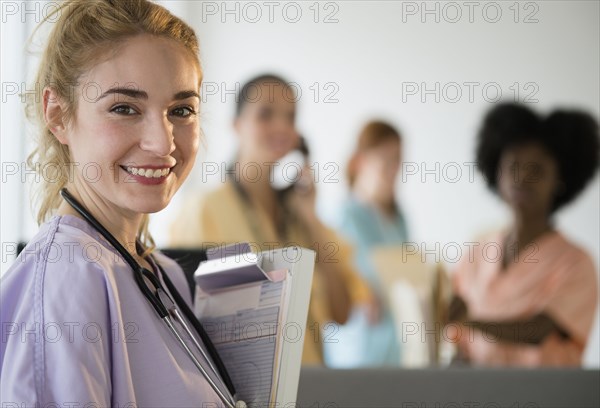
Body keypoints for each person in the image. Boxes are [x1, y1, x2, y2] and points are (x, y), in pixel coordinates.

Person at [0, 1, 240, 406]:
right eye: (125, 108)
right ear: (57, 115)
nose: (163, 143)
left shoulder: (162, 274)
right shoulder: (68, 277)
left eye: (181, 110)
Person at [170, 74, 373, 365]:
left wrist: (311, 218)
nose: (281, 127)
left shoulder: (302, 218)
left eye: (290, 117)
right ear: (237, 125)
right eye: (266, 114)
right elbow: (190, 321)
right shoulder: (206, 209)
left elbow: (342, 313)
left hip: (311, 386)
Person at [447, 103, 599, 366]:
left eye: (537, 170)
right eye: (514, 165)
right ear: (497, 171)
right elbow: (459, 339)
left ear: (560, 180)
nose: (522, 178)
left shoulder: (576, 263)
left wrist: (470, 322)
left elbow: (536, 332)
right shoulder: (475, 253)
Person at [324, 121, 408, 367]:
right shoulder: (344, 216)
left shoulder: (398, 218)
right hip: (359, 350)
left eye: (398, 161)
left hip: (395, 349)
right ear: (361, 161)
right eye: (386, 160)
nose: (393, 170)